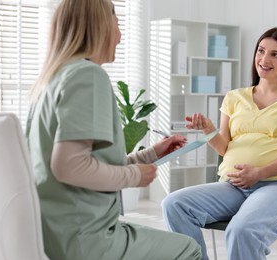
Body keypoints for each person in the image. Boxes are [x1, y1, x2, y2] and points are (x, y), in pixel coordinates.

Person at [25, 0, 201, 259]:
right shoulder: (87, 76)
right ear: (100, 26)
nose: (120, 36)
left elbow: (88, 162)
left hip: (53, 233)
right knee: (188, 249)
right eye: (117, 23)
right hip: (85, 238)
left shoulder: (50, 81)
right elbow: (69, 166)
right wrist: (134, 176)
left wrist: (150, 155)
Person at [162, 27, 277, 260]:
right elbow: (224, 148)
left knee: (241, 230)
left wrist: (260, 172)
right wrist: (208, 130)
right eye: (261, 51)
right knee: (174, 204)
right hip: (234, 187)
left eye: (275, 54)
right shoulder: (234, 97)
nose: (264, 59)